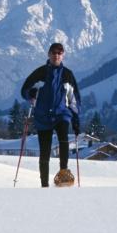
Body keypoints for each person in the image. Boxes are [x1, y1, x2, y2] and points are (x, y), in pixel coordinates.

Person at [21, 43, 81, 187]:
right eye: (53, 53)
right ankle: (44, 185)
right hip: (43, 116)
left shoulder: (67, 74)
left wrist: (76, 119)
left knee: (63, 140)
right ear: (48, 54)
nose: (56, 55)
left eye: (59, 53)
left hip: (62, 113)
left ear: (63, 55)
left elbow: (74, 99)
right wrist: (31, 93)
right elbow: (24, 90)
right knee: (45, 151)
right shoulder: (40, 73)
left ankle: (63, 175)